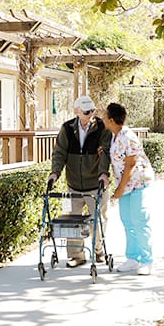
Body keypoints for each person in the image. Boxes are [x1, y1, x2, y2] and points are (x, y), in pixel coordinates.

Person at [48, 96, 111, 268]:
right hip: (73, 183)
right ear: (76, 111)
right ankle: (76, 255)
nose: (91, 114)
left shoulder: (102, 127)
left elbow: (105, 152)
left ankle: (98, 250)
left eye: (92, 111)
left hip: (96, 184)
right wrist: (55, 172)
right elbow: (59, 152)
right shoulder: (67, 128)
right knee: (72, 221)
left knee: (98, 220)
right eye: (86, 112)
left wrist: (103, 174)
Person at [103, 102, 155, 276]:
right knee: (128, 222)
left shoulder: (128, 136)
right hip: (125, 185)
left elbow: (131, 164)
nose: (102, 118)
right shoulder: (114, 135)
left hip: (137, 184)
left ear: (111, 120)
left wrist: (119, 188)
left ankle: (147, 261)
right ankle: (133, 258)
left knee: (140, 221)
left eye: (105, 116)